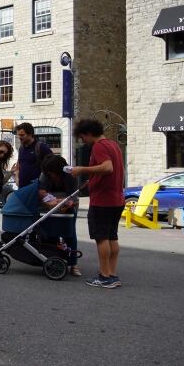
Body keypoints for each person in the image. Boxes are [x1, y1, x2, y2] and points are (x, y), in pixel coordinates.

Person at [70, 118, 124, 289]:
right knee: (112, 237)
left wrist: (82, 169)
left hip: (103, 201)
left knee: (101, 239)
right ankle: (112, 274)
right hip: (116, 199)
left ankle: (104, 276)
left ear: (88, 133)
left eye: (82, 138)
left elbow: (107, 168)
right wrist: (92, 179)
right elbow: (110, 170)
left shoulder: (99, 146)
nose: (83, 141)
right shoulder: (113, 145)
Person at [38, 155, 81, 276]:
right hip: (49, 204)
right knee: (49, 232)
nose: (49, 175)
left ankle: (73, 263)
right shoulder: (45, 175)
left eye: (51, 172)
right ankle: (51, 260)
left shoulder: (71, 175)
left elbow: (74, 196)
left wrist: (68, 204)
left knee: (70, 233)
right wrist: (50, 202)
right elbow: (41, 191)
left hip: (68, 203)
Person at [13, 122, 53, 188]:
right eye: (18, 135)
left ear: (30, 134)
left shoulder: (41, 147)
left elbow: (53, 165)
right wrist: (17, 179)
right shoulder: (21, 148)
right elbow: (19, 165)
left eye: (22, 135)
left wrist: (41, 182)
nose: (19, 137)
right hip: (22, 188)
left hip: (37, 189)